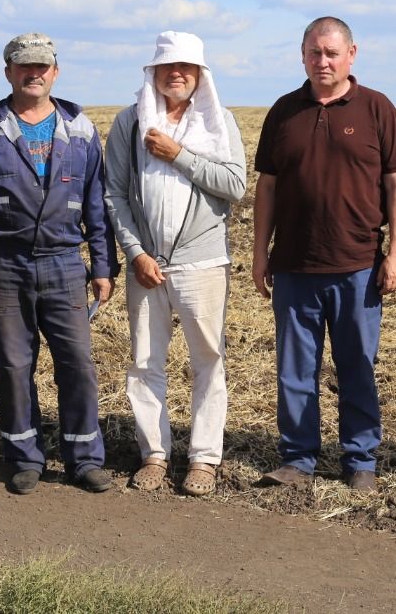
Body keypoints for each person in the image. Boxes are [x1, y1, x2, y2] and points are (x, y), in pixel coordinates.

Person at [0, 32, 118, 496]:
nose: (34, 73)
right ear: (8, 72)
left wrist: (103, 266)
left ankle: (83, 458)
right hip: (4, 264)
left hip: (65, 263)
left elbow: (96, 205)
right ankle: (24, 456)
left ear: (55, 72)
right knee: (12, 365)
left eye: (43, 66)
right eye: (24, 66)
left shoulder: (80, 129)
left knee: (78, 363)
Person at [251, 17, 396, 493]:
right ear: (302, 55)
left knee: (357, 365)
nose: (323, 61)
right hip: (296, 266)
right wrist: (260, 253)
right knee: (295, 369)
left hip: (358, 266)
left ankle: (360, 459)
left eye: (332, 53)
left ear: (351, 54)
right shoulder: (283, 112)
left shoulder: (376, 108)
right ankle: (298, 459)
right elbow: (268, 187)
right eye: (315, 52)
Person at [104, 31, 246, 496]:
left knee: (208, 359)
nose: (177, 74)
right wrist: (136, 253)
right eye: (168, 66)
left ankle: (204, 458)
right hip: (146, 264)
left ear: (201, 73)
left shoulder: (218, 121)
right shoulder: (130, 123)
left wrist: (179, 155)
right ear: (154, 72)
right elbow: (115, 195)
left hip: (203, 263)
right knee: (145, 361)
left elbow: (234, 184)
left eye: (187, 67)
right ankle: (154, 454)